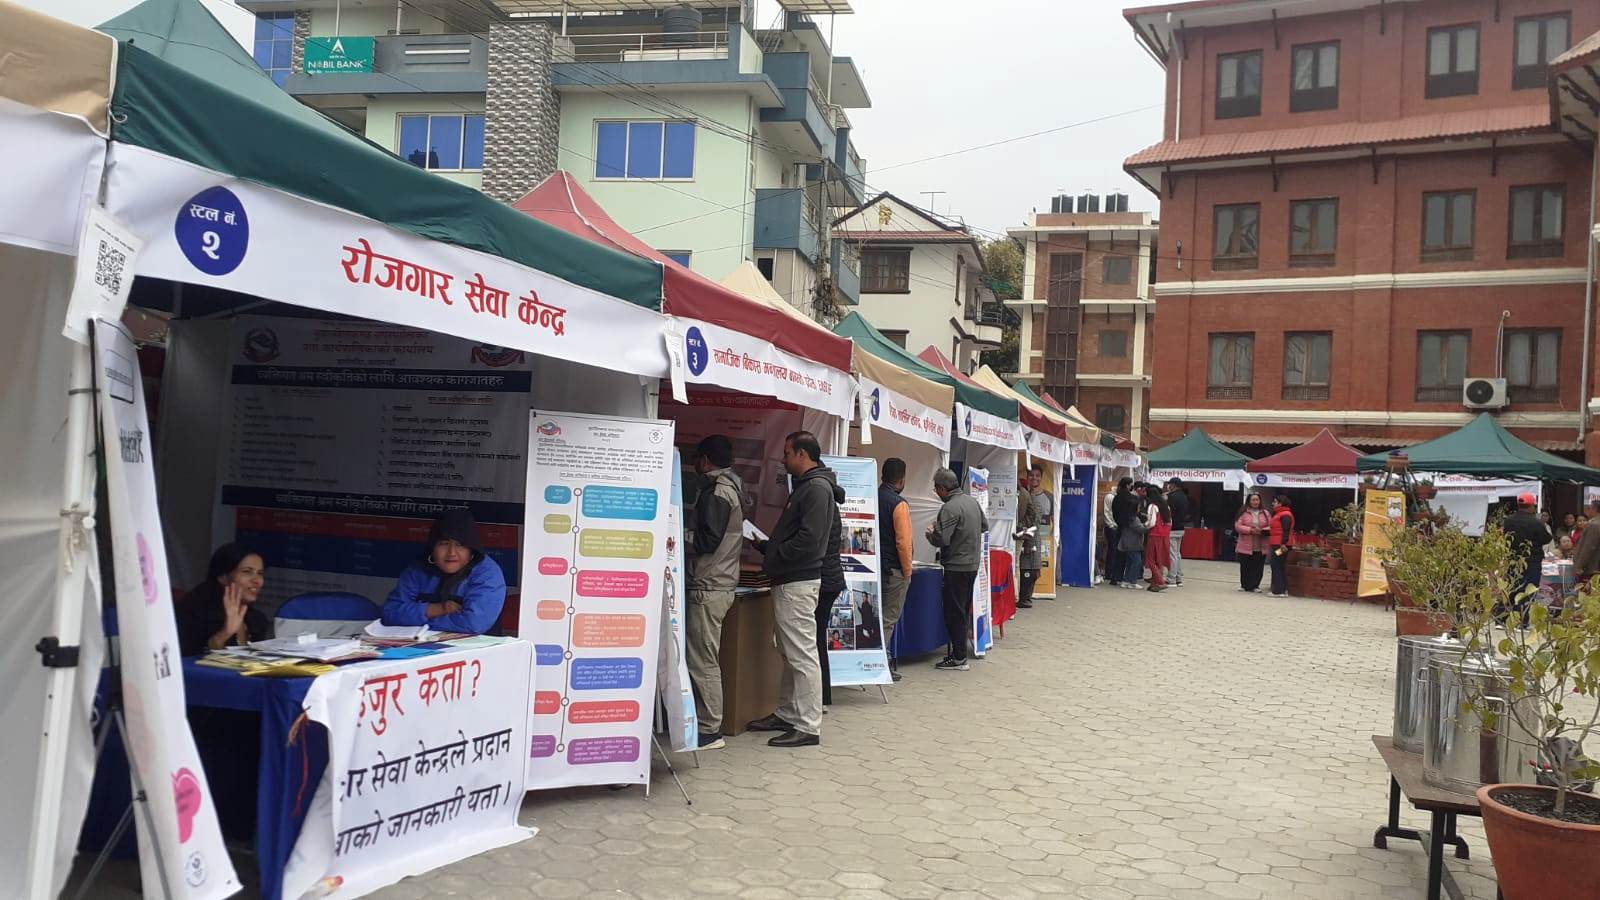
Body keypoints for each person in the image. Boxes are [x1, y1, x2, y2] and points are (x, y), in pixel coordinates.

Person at [746, 431, 834, 748]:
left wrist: (776, 555)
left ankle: (808, 725)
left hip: (797, 580)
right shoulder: (809, 486)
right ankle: (787, 713)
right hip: (791, 578)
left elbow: (809, 540)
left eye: (787, 453)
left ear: (801, 454)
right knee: (790, 651)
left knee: (802, 655)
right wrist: (770, 548)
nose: (783, 460)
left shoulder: (816, 489)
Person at [684, 435, 744, 751]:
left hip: (709, 584)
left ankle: (709, 729)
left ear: (705, 460)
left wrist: (676, 533)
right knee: (703, 657)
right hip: (718, 582)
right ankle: (706, 723)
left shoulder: (717, 492)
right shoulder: (731, 487)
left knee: (702, 660)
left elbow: (707, 541)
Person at [382, 509, 506, 634]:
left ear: (472, 550)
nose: (451, 553)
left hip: (476, 645)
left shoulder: (486, 573)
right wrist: (438, 609)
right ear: (433, 548)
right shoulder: (417, 569)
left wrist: (416, 622)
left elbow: (473, 624)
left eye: (460, 545)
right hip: (419, 643)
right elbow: (390, 613)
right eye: (444, 543)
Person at [926, 467, 988, 671]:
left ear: (943, 488)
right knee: (962, 609)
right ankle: (959, 654)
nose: (937, 493)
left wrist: (931, 533)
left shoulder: (949, 508)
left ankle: (959, 657)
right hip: (972, 564)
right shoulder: (972, 502)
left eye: (936, 489)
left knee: (954, 612)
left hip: (956, 566)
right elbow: (984, 526)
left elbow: (942, 539)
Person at [176, 543, 270, 656]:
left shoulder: (258, 620)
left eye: (260, 573)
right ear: (223, 577)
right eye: (247, 571)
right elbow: (186, 659)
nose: (257, 580)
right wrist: (225, 633)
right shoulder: (194, 612)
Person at [814, 465, 848, 707]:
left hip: (824, 578)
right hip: (831, 577)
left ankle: (820, 697)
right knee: (817, 639)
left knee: (815, 640)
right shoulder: (831, 500)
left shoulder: (821, 498)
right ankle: (823, 695)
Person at [878, 458, 914, 681]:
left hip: (875, 568)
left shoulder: (873, 496)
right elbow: (903, 542)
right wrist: (907, 571)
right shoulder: (899, 504)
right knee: (888, 619)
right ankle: (882, 664)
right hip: (894, 569)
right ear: (901, 480)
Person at [1503, 494, 1553, 610]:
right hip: (1532, 562)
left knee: (1513, 588)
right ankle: (1524, 617)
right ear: (1531, 506)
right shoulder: (1535, 522)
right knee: (1529, 590)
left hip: (1513, 560)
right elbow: (1547, 539)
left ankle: (1511, 615)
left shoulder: (1508, 521)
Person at [1015, 472, 1042, 609]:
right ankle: (1025, 598)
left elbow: (1033, 524)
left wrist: (1028, 544)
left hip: (1029, 540)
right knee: (1029, 569)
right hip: (1030, 540)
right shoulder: (1031, 497)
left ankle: (1025, 599)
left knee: (1028, 569)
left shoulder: (1030, 499)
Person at [1235, 493, 1270, 593]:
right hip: (1245, 545)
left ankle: (1255, 585)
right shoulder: (1243, 512)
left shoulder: (1265, 513)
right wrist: (1250, 530)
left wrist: (1262, 530)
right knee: (1245, 566)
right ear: (1249, 501)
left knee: (1258, 566)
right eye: (1253, 500)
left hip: (1260, 545)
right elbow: (1238, 526)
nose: (1255, 502)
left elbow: (1271, 525)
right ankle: (1244, 585)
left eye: (1257, 500)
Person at [1117, 483, 1149, 589]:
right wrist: (1148, 525)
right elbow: (1140, 529)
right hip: (1133, 543)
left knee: (1130, 562)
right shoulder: (1133, 518)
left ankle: (1126, 580)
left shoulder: (1127, 517)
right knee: (1136, 562)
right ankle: (1132, 581)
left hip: (1127, 542)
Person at [1104, 478, 1133, 586]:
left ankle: (1114, 575)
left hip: (1117, 526)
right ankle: (1111, 573)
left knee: (1116, 551)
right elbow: (1107, 512)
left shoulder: (1118, 497)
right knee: (1115, 551)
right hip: (1114, 527)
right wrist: (1112, 525)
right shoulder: (1111, 497)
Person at [1267, 496, 1295, 597]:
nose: (1273, 503)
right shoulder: (1279, 514)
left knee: (1276, 564)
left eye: (1275, 502)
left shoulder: (1285, 515)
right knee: (1280, 565)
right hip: (1278, 544)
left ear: (1281, 503)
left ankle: (1278, 590)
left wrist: (1283, 543)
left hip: (1280, 545)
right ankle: (1283, 589)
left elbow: (1286, 530)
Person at [1144, 490, 1171, 592]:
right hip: (1165, 535)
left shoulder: (1153, 506)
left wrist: (1144, 525)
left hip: (1155, 535)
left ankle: (1160, 582)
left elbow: (1151, 522)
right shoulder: (1166, 507)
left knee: (1151, 560)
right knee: (1159, 559)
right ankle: (1155, 583)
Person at [1165, 478, 1190, 587]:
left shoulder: (1171, 497)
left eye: (1169, 484)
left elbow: (1169, 513)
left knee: (1172, 555)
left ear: (1174, 485)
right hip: (1181, 528)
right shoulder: (1184, 496)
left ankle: (1171, 579)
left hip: (1172, 528)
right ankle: (1179, 578)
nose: (1168, 486)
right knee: (1177, 554)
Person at [1574, 502, 1600, 585]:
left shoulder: (1595, 525)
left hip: (1591, 567)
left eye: (1589, 508)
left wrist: (1579, 565)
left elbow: (1588, 547)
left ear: (1594, 509)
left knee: (1586, 591)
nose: (1587, 510)